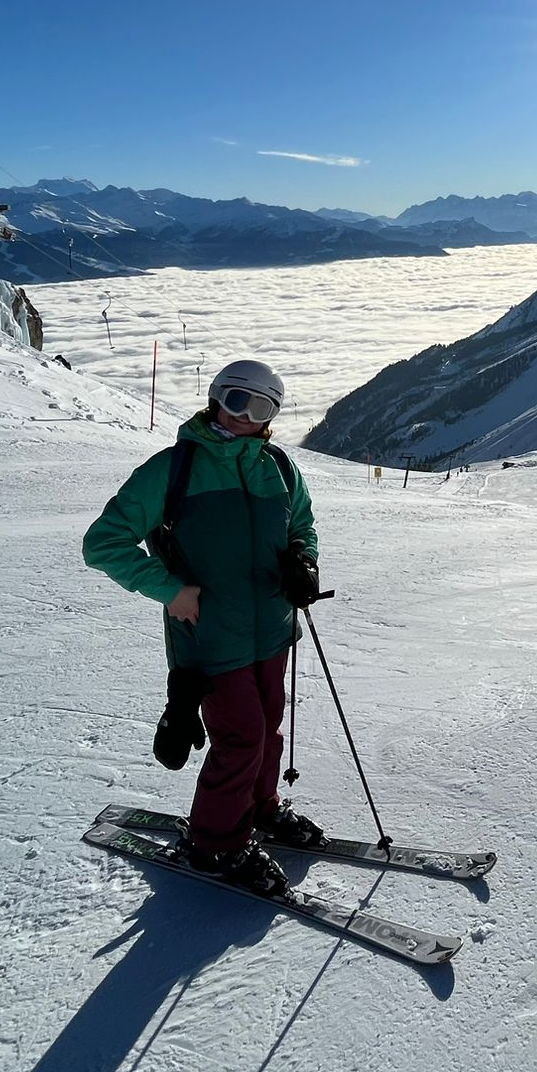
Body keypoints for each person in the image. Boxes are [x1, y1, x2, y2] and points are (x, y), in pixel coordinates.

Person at [82, 359, 323, 893]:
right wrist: (170, 589)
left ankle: (259, 807)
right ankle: (216, 844)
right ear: (215, 398)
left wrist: (302, 561)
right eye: (235, 400)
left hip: (273, 629)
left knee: (267, 726)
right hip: (210, 636)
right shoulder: (174, 469)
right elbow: (102, 544)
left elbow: (301, 524)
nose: (244, 415)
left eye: (260, 407)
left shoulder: (279, 467)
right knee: (241, 738)